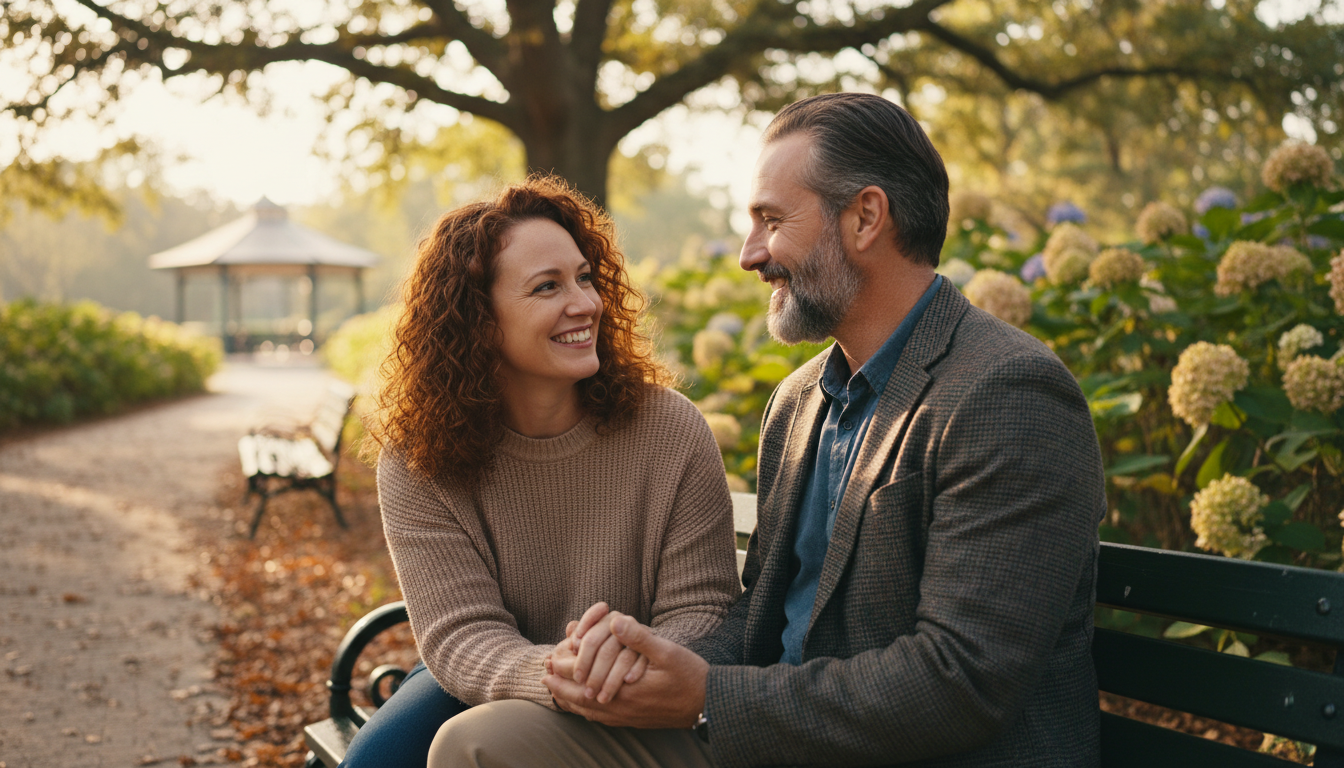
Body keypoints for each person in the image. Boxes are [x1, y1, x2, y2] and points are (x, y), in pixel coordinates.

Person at [428, 93, 1106, 767]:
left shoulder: (1006, 393)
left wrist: (711, 697)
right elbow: (765, 622)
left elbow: (961, 683)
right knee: (480, 743)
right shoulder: (800, 401)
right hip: (764, 742)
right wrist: (648, 664)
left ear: (866, 217)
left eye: (771, 220)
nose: (750, 255)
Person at [339, 175, 742, 768]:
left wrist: (619, 665)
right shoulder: (419, 457)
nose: (584, 303)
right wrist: (556, 673)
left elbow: (703, 607)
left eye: (583, 277)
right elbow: (460, 634)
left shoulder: (668, 429)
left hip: (637, 685)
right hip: (492, 676)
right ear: (478, 319)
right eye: (546, 287)